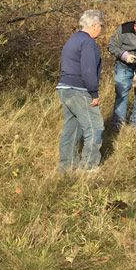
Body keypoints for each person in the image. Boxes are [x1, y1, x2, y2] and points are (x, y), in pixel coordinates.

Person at [56, 9, 106, 172]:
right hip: (79, 90)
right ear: (93, 25)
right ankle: (89, 167)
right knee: (95, 126)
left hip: (64, 89)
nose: (101, 29)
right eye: (101, 26)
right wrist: (94, 93)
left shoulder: (73, 39)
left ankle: (67, 166)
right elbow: (88, 70)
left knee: (71, 128)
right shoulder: (88, 42)